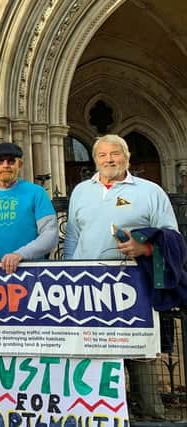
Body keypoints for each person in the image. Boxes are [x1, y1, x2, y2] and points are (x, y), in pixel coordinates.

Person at [64, 134, 181, 420]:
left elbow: (173, 237)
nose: (109, 160)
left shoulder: (150, 191)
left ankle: (152, 416)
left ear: (126, 157)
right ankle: (103, 415)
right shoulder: (81, 191)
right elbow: (72, 239)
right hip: (88, 287)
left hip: (134, 283)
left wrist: (144, 247)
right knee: (95, 355)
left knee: (139, 356)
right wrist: (68, 272)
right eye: (102, 155)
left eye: (115, 154)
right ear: (95, 160)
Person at [0, 142, 58, 273]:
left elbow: (50, 234)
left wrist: (20, 254)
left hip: (29, 271)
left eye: (11, 161)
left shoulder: (37, 193)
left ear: (20, 164)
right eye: (0, 161)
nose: (5, 165)